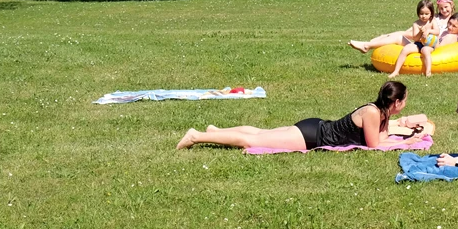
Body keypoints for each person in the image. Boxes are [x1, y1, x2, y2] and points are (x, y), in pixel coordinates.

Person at [176, 81, 429, 150]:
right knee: (252, 140)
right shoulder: (373, 114)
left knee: (260, 133)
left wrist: (409, 127)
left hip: (313, 127)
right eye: (405, 100)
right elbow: (375, 144)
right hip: (312, 136)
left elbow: (388, 130)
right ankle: (196, 136)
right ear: (396, 102)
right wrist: (405, 142)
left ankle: (216, 131)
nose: (406, 104)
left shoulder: (379, 111)